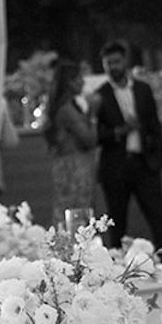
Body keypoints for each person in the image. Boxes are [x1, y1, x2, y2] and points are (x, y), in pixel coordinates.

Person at [93, 39, 162, 256]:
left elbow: (155, 128)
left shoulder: (142, 90)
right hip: (115, 165)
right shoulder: (100, 95)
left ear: (125, 62)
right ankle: (116, 267)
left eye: (117, 62)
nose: (113, 67)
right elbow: (96, 134)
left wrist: (157, 162)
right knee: (116, 221)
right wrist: (118, 132)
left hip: (144, 162)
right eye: (109, 63)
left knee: (158, 217)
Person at [42, 57, 96, 225]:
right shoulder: (67, 110)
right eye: (78, 78)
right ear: (69, 82)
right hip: (74, 169)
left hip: (65, 166)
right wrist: (93, 114)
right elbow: (89, 139)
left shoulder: (61, 107)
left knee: (68, 212)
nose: (82, 82)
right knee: (77, 215)